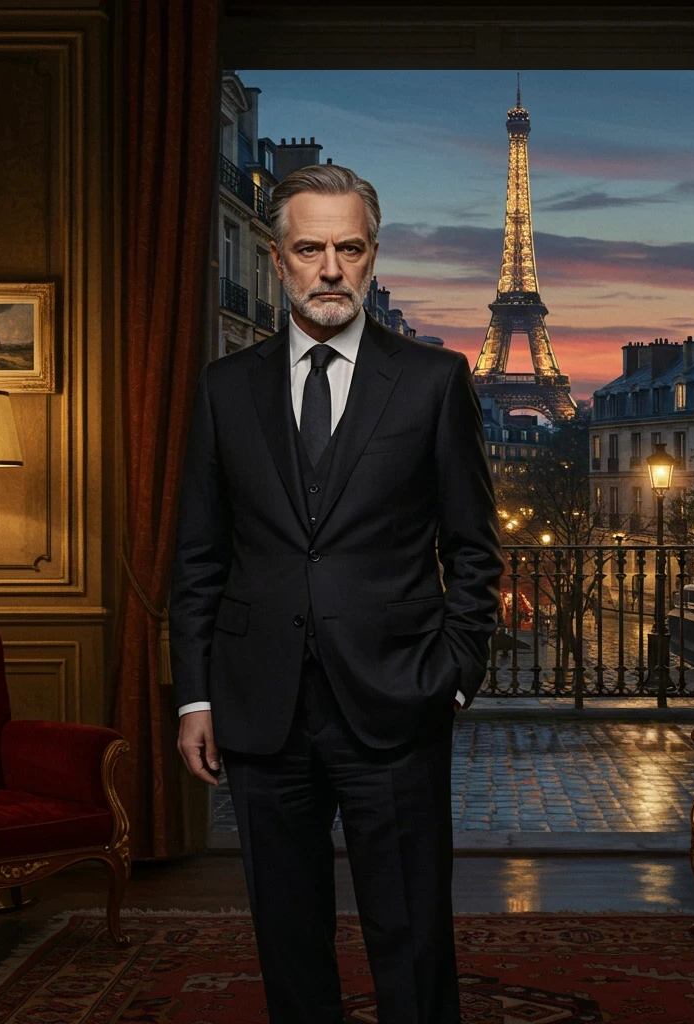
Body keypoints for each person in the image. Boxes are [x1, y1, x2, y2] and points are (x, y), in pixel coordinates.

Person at [170, 164, 504, 1024]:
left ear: (372, 255)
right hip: (259, 703)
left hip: (397, 697)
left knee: (413, 932)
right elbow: (200, 555)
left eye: (348, 249)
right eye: (309, 248)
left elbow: (474, 548)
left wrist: (456, 672)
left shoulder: (435, 381)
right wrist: (197, 694)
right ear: (277, 259)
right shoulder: (223, 389)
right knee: (286, 932)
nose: (329, 269)